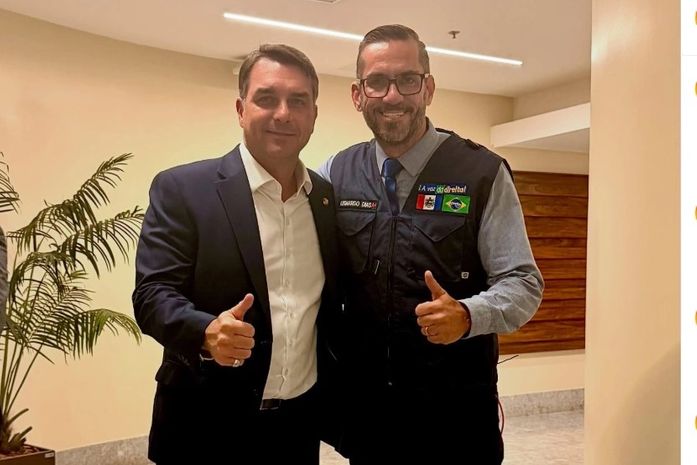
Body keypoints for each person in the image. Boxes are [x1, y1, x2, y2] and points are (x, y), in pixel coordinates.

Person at [318, 24, 544, 464]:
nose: (393, 96)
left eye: (407, 79)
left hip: (455, 420)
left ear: (428, 88)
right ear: (358, 95)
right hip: (368, 421)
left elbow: (523, 282)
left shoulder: (481, 173)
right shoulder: (335, 173)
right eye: (377, 82)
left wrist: (468, 314)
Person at [132, 44, 340, 465]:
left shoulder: (324, 198)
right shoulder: (184, 189)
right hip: (205, 429)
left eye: (298, 101)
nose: (283, 113)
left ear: (314, 115)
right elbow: (152, 295)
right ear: (241, 109)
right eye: (267, 98)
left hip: (298, 428)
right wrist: (205, 332)